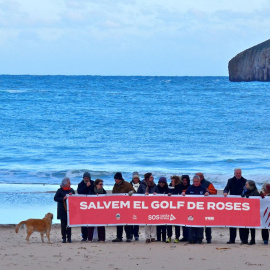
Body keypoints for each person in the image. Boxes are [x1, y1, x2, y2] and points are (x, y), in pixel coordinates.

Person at [182, 175, 209, 244]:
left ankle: (199, 238)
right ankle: (191, 239)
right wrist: (183, 194)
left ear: (199, 181)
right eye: (194, 181)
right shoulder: (190, 188)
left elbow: (209, 196)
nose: (196, 183)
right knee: (191, 224)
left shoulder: (203, 188)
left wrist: (207, 193)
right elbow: (184, 196)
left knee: (200, 225)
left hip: (200, 210)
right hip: (191, 210)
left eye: (197, 181)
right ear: (193, 181)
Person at [223, 168, 247, 244]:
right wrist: (225, 192)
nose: (238, 174)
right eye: (237, 173)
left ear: (241, 173)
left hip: (242, 204)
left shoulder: (245, 181)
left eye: (239, 173)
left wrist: (244, 193)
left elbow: (246, 189)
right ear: (234, 173)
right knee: (232, 222)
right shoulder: (230, 180)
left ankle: (243, 239)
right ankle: (232, 239)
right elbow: (226, 188)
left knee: (242, 222)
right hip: (232, 203)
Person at [112, 172, 135, 242]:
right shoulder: (115, 186)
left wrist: (132, 192)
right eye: (115, 179)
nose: (115, 180)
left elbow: (134, 192)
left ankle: (128, 237)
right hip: (118, 207)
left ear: (120, 179)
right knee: (119, 222)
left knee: (127, 222)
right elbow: (113, 194)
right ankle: (119, 237)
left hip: (126, 207)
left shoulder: (127, 185)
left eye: (116, 179)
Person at [196, 172, 217, 243]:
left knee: (208, 223)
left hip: (207, 207)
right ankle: (200, 238)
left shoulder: (208, 184)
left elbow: (214, 192)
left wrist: (208, 191)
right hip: (198, 207)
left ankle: (208, 238)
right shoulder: (195, 184)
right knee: (199, 223)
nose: (196, 178)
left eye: (197, 177)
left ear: (201, 177)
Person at [137, 172, 158, 243]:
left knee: (153, 221)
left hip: (153, 205)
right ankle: (147, 237)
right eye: (151, 177)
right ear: (147, 178)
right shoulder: (142, 185)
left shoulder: (155, 185)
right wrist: (144, 194)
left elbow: (158, 193)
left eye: (152, 177)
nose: (152, 178)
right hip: (145, 205)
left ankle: (153, 237)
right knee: (146, 222)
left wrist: (156, 194)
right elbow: (138, 194)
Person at [54, 177, 75, 243]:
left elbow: (75, 198)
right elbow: (55, 198)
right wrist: (63, 198)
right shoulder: (60, 190)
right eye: (69, 183)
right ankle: (64, 237)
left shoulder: (71, 190)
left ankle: (69, 237)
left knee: (69, 224)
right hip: (62, 209)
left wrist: (72, 195)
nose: (70, 184)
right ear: (65, 184)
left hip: (70, 210)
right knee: (63, 224)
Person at [241, 180, 260, 245]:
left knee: (252, 227)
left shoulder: (255, 192)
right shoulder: (246, 191)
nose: (245, 186)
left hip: (252, 212)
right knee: (245, 226)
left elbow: (256, 203)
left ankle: (252, 240)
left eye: (247, 185)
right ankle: (245, 239)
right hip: (246, 211)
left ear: (250, 185)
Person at [77, 172, 95, 241]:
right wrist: (86, 186)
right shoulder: (80, 184)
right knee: (83, 221)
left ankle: (91, 236)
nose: (86, 179)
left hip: (91, 205)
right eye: (85, 178)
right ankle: (84, 236)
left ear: (89, 178)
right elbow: (79, 192)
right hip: (83, 205)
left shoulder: (93, 183)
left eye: (87, 178)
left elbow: (94, 191)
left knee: (91, 220)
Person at [167, 175, 182, 243]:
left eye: (173, 181)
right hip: (169, 207)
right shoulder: (169, 186)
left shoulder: (179, 187)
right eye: (171, 181)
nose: (171, 182)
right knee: (169, 223)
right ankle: (169, 236)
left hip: (177, 208)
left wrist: (172, 194)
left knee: (177, 224)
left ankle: (177, 237)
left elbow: (179, 194)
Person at [156, 177, 169, 242]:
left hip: (165, 209)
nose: (161, 184)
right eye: (160, 182)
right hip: (157, 208)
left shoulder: (167, 188)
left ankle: (164, 237)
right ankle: (158, 238)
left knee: (164, 224)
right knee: (158, 224)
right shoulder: (156, 187)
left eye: (163, 182)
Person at [130, 172, 141, 241]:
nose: (136, 179)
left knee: (137, 220)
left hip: (139, 204)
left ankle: (136, 235)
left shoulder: (141, 184)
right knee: (131, 220)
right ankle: (131, 234)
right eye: (135, 178)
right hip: (131, 204)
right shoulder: (129, 184)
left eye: (137, 178)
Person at [179, 175, 190, 242]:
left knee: (189, 222)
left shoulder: (190, 187)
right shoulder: (180, 187)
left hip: (189, 207)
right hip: (182, 207)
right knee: (183, 223)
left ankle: (189, 236)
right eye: (183, 180)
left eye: (186, 180)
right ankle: (185, 236)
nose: (184, 181)